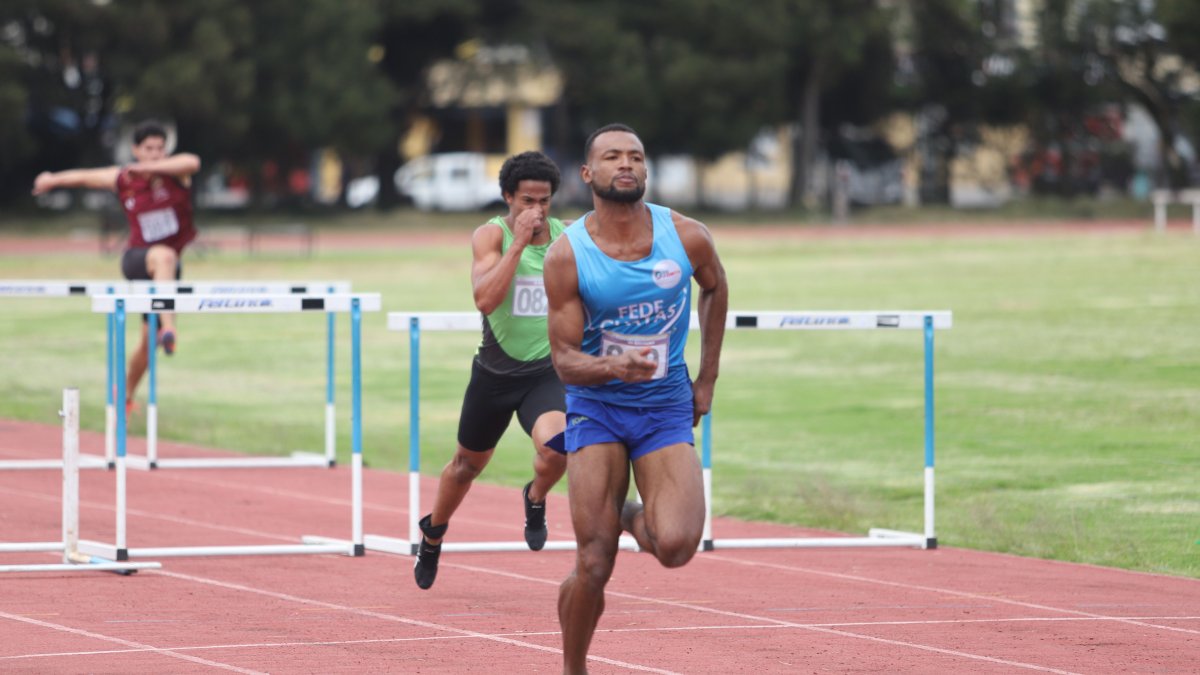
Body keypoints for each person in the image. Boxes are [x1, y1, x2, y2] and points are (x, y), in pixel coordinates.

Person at [543, 123, 728, 674]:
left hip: (665, 405)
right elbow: (563, 359)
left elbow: (715, 286)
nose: (625, 164)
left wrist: (707, 379)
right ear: (588, 174)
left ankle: (622, 512)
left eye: (636, 157)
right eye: (612, 157)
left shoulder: (687, 236)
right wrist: (611, 366)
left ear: (646, 171)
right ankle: (573, 668)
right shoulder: (566, 255)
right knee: (594, 562)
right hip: (597, 407)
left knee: (675, 546)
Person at [413, 151, 571, 590]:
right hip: (494, 376)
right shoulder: (490, 236)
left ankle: (535, 496)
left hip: (545, 373)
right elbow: (485, 299)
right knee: (465, 467)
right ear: (507, 198)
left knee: (558, 447)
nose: (536, 211)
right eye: (526, 201)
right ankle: (433, 533)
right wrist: (518, 243)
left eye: (544, 201)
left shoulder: (569, 237)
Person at [32, 120, 201, 413]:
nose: (156, 154)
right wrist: (51, 179)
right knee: (163, 256)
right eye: (149, 149)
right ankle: (170, 328)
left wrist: (153, 168)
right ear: (136, 150)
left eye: (161, 149)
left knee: (148, 345)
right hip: (138, 260)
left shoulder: (178, 175)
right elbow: (84, 177)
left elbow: (193, 161)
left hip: (166, 276)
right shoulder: (124, 178)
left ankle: (124, 393)